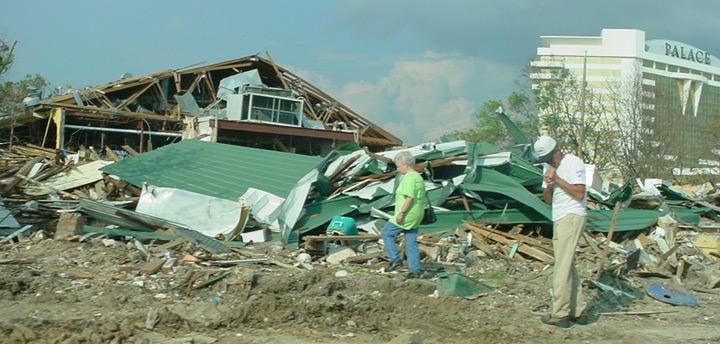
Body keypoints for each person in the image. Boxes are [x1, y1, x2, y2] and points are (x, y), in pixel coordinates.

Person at [534, 135, 590, 328]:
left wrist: (557, 179)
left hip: (572, 215)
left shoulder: (573, 162)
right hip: (560, 216)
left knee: (561, 267)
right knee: (568, 265)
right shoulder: (548, 168)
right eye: (545, 160)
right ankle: (578, 310)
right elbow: (548, 200)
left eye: (550, 157)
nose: (548, 162)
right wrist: (549, 185)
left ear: (557, 150)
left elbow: (579, 193)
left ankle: (559, 313)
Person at [381, 151, 425, 279]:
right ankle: (415, 270)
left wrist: (401, 213)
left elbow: (409, 197)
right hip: (417, 213)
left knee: (386, 232)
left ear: (406, 165)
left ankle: (395, 260)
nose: (398, 169)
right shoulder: (418, 177)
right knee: (410, 241)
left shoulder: (409, 178)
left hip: (408, 214)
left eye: (398, 166)